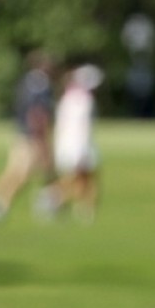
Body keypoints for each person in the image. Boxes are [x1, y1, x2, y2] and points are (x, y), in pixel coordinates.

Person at [0, 50, 57, 224]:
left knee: (18, 171)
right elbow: (37, 113)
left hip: (23, 134)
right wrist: (42, 139)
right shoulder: (41, 84)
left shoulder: (28, 81)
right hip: (32, 136)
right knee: (25, 173)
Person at [35, 64, 104, 223]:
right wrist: (82, 150)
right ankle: (52, 198)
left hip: (67, 143)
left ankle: (83, 210)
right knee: (80, 178)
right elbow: (82, 127)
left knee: (83, 178)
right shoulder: (83, 100)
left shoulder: (67, 97)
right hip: (79, 145)